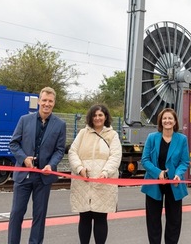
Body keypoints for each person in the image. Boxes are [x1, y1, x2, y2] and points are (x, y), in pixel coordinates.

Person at [7, 87, 67, 244]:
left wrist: (51, 165)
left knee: (39, 216)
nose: (47, 104)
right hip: (23, 176)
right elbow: (13, 143)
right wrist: (24, 158)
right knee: (16, 214)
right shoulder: (24, 120)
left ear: (54, 103)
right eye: (44, 100)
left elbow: (60, 150)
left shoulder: (60, 125)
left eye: (50, 101)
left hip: (44, 178)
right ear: (39, 101)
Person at [68, 104, 123, 244]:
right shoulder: (82, 134)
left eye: (100, 115)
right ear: (90, 117)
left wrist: (106, 172)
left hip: (103, 183)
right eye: (95, 115)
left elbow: (116, 156)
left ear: (105, 117)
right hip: (83, 183)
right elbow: (72, 152)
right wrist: (79, 168)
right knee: (84, 217)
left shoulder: (112, 135)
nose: (97, 118)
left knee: (100, 218)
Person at [141, 108, 190, 244]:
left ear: (175, 122)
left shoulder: (182, 139)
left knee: (174, 220)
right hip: (154, 183)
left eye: (170, 118)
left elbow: (184, 161)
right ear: (160, 121)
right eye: (164, 118)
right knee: (153, 220)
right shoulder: (152, 137)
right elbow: (145, 160)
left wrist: (179, 174)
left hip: (174, 183)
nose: (167, 121)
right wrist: (158, 173)